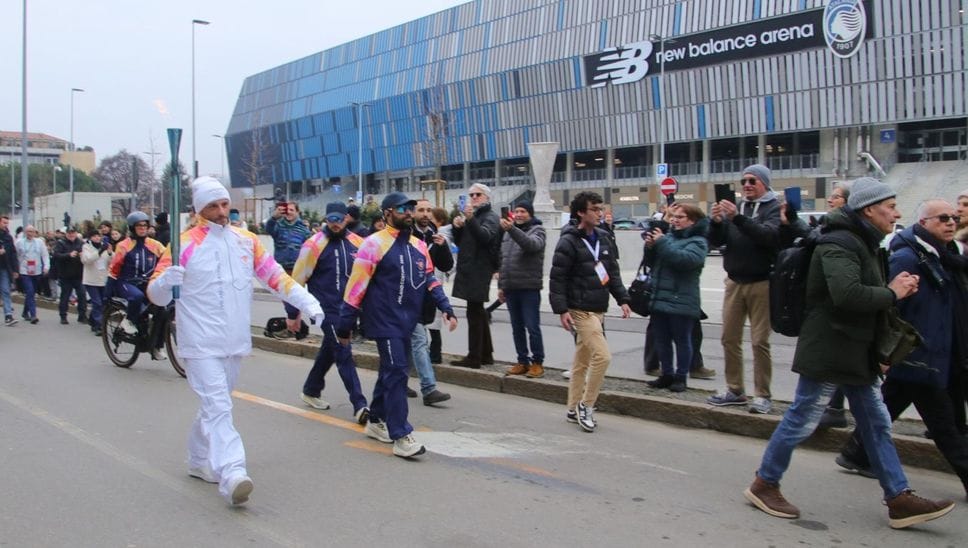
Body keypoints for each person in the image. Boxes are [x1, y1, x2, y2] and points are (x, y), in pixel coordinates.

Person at [743, 177, 956, 529]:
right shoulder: (839, 242)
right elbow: (847, 295)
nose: (896, 213)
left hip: (855, 349)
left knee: (876, 424)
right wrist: (894, 292)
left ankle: (898, 497)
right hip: (830, 349)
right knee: (802, 418)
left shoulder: (866, 241)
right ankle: (764, 483)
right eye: (890, 207)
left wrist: (881, 342)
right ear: (869, 209)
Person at [147, 176, 323, 506]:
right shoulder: (182, 244)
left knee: (215, 404)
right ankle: (232, 472)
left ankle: (198, 459)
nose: (220, 211)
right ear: (199, 209)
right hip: (199, 342)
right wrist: (163, 284)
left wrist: (307, 303)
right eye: (212, 206)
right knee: (219, 405)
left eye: (224, 204)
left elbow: (276, 277)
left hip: (233, 340)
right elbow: (155, 296)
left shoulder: (246, 240)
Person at [834, 199, 968, 499]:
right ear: (924, 223)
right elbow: (889, 305)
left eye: (954, 218)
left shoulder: (944, 256)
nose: (950, 222)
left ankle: (856, 454)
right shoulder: (908, 257)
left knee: (890, 406)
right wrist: (885, 352)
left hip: (936, 352)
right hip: (918, 353)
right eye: (943, 218)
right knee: (945, 424)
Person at [337, 192, 458, 458]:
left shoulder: (419, 245)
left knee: (390, 372)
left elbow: (429, 280)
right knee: (398, 371)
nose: (409, 212)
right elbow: (355, 288)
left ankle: (376, 419)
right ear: (387, 212)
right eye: (403, 207)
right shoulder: (372, 244)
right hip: (382, 320)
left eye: (411, 208)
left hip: (408, 320)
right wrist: (344, 326)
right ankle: (401, 434)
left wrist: (446, 307)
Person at [550, 191, 632, 432]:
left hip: (599, 308)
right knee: (603, 356)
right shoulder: (568, 241)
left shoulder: (604, 238)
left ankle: (572, 406)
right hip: (579, 309)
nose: (600, 213)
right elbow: (557, 279)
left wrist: (623, 299)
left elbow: (612, 273)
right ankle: (586, 405)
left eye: (600, 208)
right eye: (594, 209)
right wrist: (562, 309)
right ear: (580, 213)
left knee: (581, 361)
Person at [706, 164, 781, 414]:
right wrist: (717, 223)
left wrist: (736, 217)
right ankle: (735, 389)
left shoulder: (773, 208)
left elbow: (768, 236)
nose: (747, 185)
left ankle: (762, 394)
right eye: (744, 181)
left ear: (764, 184)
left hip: (762, 282)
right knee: (729, 337)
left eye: (752, 180)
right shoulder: (738, 209)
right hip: (735, 281)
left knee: (760, 341)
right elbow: (717, 241)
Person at [288, 202, 370, 423]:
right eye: (331, 219)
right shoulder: (313, 245)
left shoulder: (357, 243)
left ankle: (311, 389)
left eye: (340, 219)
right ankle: (360, 405)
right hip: (325, 310)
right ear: (326, 219)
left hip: (349, 310)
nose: (335, 224)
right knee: (343, 351)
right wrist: (292, 313)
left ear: (347, 219)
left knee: (330, 349)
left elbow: (368, 274)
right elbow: (296, 281)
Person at [643, 204, 709, 393]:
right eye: (674, 217)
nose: (675, 220)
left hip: (682, 299)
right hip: (660, 298)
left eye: (680, 217)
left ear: (693, 221)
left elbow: (684, 261)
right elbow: (652, 262)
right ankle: (666, 374)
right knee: (661, 339)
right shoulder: (669, 237)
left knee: (682, 340)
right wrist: (650, 247)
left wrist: (661, 243)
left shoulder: (698, 242)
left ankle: (681, 377)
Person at [450, 182, 501, 369]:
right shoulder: (476, 216)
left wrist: (469, 220)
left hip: (479, 269)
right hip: (470, 268)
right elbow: (462, 241)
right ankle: (485, 354)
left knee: (474, 312)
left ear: (487, 198)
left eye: (477, 195)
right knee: (477, 311)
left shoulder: (490, 217)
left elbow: (485, 237)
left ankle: (474, 356)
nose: (473, 198)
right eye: (471, 195)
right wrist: (457, 227)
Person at [410, 198, 453, 405]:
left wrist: (443, 247)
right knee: (419, 341)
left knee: (408, 342)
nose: (425, 214)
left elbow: (445, 266)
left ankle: (398, 381)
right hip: (406, 297)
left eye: (428, 210)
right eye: (421, 210)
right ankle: (429, 388)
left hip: (427, 296)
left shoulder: (435, 235)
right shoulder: (406, 234)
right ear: (413, 213)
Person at [107, 212, 167, 357]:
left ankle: (156, 346)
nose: (142, 228)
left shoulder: (155, 244)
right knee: (137, 297)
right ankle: (128, 321)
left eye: (145, 225)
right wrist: (108, 290)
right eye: (139, 226)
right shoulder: (123, 245)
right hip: (126, 281)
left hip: (147, 282)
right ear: (132, 228)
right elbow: (114, 268)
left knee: (163, 309)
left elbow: (167, 258)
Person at [498, 202, 547, 378]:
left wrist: (511, 229)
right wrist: (501, 286)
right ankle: (522, 360)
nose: (519, 214)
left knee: (532, 327)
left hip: (529, 288)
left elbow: (531, 245)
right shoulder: (508, 233)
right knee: (516, 327)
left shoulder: (538, 230)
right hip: (511, 288)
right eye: (516, 211)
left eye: (523, 211)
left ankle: (537, 362)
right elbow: (504, 260)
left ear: (530, 214)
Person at [53, 226, 88, 326]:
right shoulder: (61, 243)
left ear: (76, 233)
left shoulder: (81, 243)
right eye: (69, 233)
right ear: (66, 233)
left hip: (79, 274)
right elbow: (56, 255)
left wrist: (82, 255)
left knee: (82, 295)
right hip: (65, 275)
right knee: (65, 296)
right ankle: (63, 316)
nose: (71, 234)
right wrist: (68, 255)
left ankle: (82, 316)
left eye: (73, 232)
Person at [81, 229, 112, 336]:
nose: (97, 238)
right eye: (94, 236)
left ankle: (93, 320)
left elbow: (112, 261)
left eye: (98, 236)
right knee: (97, 302)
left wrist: (109, 252)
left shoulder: (105, 245)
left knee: (103, 303)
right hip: (91, 280)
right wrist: (99, 251)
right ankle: (100, 326)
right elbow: (86, 260)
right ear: (90, 238)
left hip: (103, 279)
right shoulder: (86, 247)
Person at [265, 201, 311, 273]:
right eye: (287, 210)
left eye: (291, 210)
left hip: (297, 270)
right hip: (280, 270)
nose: (288, 212)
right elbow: (268, 229)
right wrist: (273, 217)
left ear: (297, 212)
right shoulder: (278, 226)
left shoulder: (303, 228)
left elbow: (309, 249)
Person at [15, 224, 48, 324]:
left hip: (36, 271)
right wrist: (15, 269)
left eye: (32, 231)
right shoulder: (19, 242)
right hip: (24, 271)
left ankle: (25, 312)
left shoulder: (39, 242)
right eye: (28, 231)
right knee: (29, 291)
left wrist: (46, 266)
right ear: (25, 232)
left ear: (35, 232)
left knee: (32, 292)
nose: (30, 233)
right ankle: (33, 315)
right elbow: (15, 256)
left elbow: (45, 255)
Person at [0, 215, 19, 326]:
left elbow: (12, 253)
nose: (5, 225)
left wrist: (15, 269)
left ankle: (8, 315)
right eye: (4, 222)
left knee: (6, 291)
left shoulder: (8, 237)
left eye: (7, 223)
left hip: (4, 268)